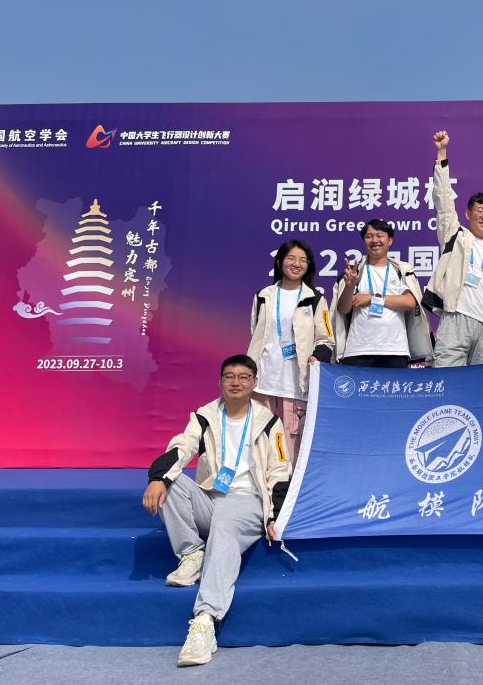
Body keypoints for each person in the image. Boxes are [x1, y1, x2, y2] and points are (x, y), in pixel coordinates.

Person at [142, 355, 290, 667]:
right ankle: (192, 554)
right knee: (172, 482)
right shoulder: (204, 416)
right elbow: (182, 447)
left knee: (224, 526)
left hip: (248, 502)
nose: (236, 382)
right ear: (220, 381)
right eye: (229, 376)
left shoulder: (269, 422)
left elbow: (280, 470)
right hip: (211, 497)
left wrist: (275, 514)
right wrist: (158, 478)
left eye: (243, 377)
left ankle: (205, 621)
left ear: (254, 383)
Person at [422, 130, 483, 366]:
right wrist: (442, 153)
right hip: (456, 317)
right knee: (446, 378)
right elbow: (444, 200)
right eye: (479, 211)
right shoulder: (455, 235)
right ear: (467, 214)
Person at [248, 239, 334, 466]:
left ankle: (285, 487)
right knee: (259, 440)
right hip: (263, 382)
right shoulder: (263, 296)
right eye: (291, 258)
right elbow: (254, 333)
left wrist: (316, 356)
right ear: (279, 262)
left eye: (303, 260)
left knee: (291, 446)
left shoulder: (316, 299)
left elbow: (326, 338)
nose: (297, 264)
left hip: (296, 384)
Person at [332, 218, 433, 367]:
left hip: (394, 349)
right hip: (358, 350)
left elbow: (410, 302)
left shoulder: (401, 271)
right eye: (369, 236)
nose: (374, 240)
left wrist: (372, 298)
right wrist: (349, 286)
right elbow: (343, 309)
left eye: (379, 235)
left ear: (389, 241)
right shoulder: (355, 272)